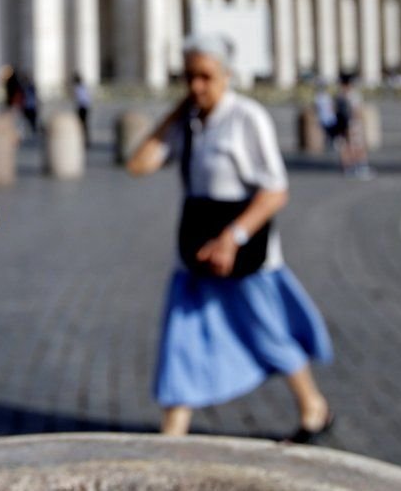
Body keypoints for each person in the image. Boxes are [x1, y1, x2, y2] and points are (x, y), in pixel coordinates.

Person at [126, 34, 334, 441]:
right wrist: (176, 112)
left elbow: (275, 190)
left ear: (227, 75)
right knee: (179, 340)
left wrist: (231, 238)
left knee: (268, 334)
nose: (197, 86)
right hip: (194, 252)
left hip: (243, 250)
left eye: (205, 76)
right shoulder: (190, 122)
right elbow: (139, 164)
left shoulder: (247, 117)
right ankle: (174, 432)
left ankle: (313, 406)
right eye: (188, 77)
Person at [333, 75, 373, 180]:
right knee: (357, 145)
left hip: (341, 124)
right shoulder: (353, 95)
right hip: (352, 123)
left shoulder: (339, 95)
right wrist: (358, 123)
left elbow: (335, 110)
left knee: (345, 146)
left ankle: (347, 167)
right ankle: (360, 166)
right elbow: (357, 110)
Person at [73, 72, 92, 146]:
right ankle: (86, 140)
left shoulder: (77, 88)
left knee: (82, 124)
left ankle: (84, 140)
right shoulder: (83, 86)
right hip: (86, 107)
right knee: (85, 124)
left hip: (82, 108)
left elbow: (79, 99)